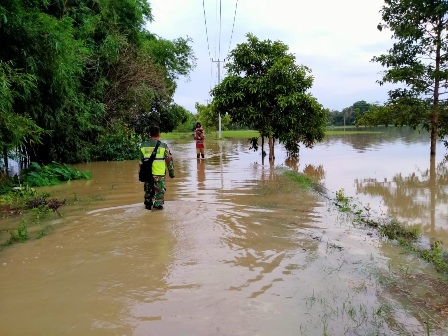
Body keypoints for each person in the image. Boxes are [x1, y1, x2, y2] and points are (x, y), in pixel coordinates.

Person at [139, 126, 175, 210]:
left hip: (147, 175)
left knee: (148, 194)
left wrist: (142, 174)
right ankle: (157, 212)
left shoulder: (143, 146)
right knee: (159, 195)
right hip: (159, 175)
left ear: (149, 134)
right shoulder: (163, 146)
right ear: (159, 134)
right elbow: (169, 160)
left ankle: (148, 207)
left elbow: (140, 162)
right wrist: (171, 173)